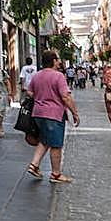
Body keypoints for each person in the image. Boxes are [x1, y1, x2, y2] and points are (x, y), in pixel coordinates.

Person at [26, 49, 81, 184]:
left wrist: (40, 98)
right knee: (56, 144)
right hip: (53, 114)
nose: (59, 62)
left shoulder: (37, 76)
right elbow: (65, 96)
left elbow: (29, 92)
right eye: (57, 59)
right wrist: (74, 113)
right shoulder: (58, 76)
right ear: (54, 61)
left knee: (44, 140)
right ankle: (56, 174)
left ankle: (34, 165)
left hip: (38, 113)